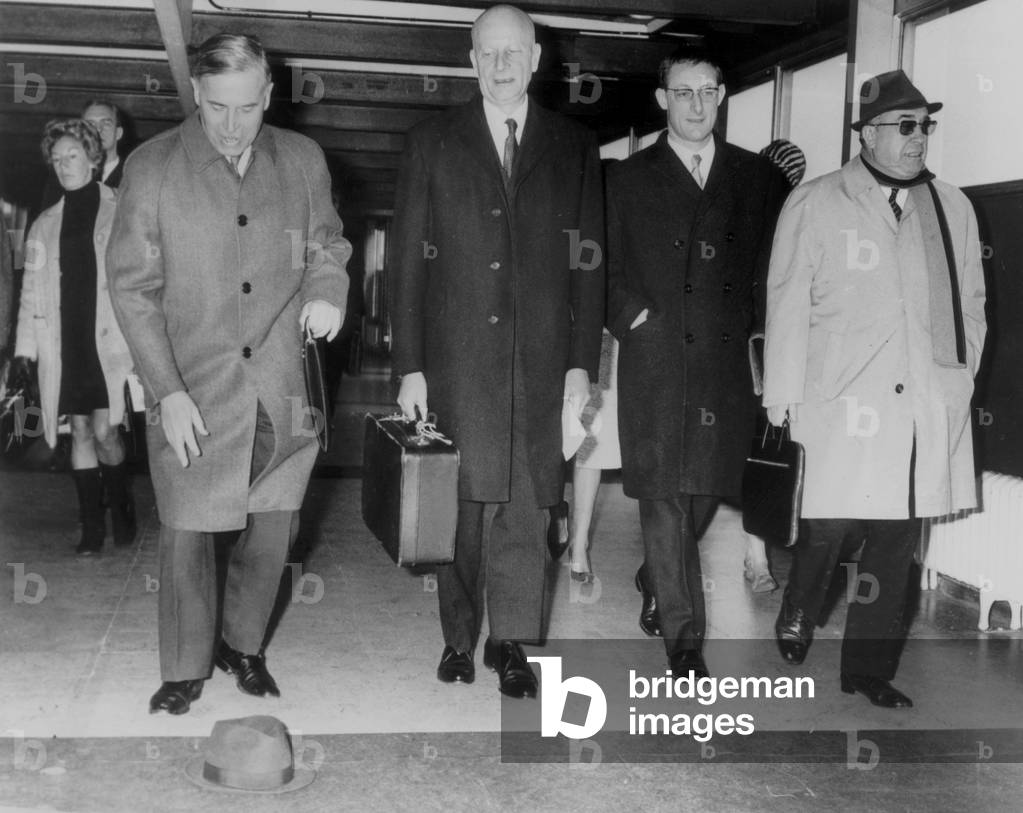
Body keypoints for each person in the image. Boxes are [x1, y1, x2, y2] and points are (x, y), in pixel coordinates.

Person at [106, 33, 350, 715]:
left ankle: (243, 645)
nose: (233, 126)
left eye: (248, 107)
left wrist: (327, 291)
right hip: (191, 382)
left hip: (279, 383)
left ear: (269, 95)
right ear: (196, 94)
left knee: (273, 524)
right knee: (186, 529)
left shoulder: (302, 160)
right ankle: (184, 667)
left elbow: (327, 242)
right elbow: (131, 288)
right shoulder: (152, 168)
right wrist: (168, 390)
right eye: (217, 107)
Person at [390, 3, 604, 699]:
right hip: (454, 361)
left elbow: (589, 264)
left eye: (515, 51)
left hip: (541, 361)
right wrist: (409, 366)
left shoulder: (574, 146)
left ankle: (512, 642)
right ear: (471, 60)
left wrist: (579, 363)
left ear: (537, 59)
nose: (503, 62)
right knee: (458, 507)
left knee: (529, 506)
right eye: (489, 51)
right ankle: (458, 634)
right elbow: (405, 267)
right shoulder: (430, 140)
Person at [762, 70, 986, 708]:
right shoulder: (816, 200)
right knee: (828, 523)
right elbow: (786, 302)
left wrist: (958, 378)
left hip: (919, 403)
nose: (919, 138)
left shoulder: (953, 207)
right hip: (837, 396)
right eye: (904, 126)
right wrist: (781, 389)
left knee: (897, 541)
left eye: (924, 125)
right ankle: (799, 609)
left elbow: (972, 303)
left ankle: (867, 669)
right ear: (864, 134)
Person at [606, 46, 787, 678]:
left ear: (722, 96)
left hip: (722, 364)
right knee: (662, 497)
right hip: (654, 360)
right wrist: (631, 318)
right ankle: (685, 644)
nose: (696, 105)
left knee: (707, 487)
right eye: (683, 93)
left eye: (708, 91)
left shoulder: (756, 179)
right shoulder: (624, 179)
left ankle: (659, 572)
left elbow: (772, 273)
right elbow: (598, 265)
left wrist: (764, 343)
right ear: (662, 100)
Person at [11, 119, 136, 555]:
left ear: (93, 158)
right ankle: (91, 528)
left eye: (73, 156)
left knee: (106, 430)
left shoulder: (122, 209)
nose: (64, 165)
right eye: (58, 159)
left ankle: (120, 505)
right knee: (79, 428)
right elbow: (30, 293)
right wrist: (24, 352)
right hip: (64, 342)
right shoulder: (43, 226)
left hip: (109, 340)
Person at [740, 138, 808, 594]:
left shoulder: (799, 212)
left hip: (779, 348)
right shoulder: (748, 210)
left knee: (765, 449)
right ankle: (756, 555)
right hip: (753, 350)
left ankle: (758, 554)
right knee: (760, 449)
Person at [567, 328, 621, 583]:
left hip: (625, 340)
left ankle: (578, 538)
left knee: (595, 440)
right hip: (594, 335)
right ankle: (578, 541)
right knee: (589, 437)